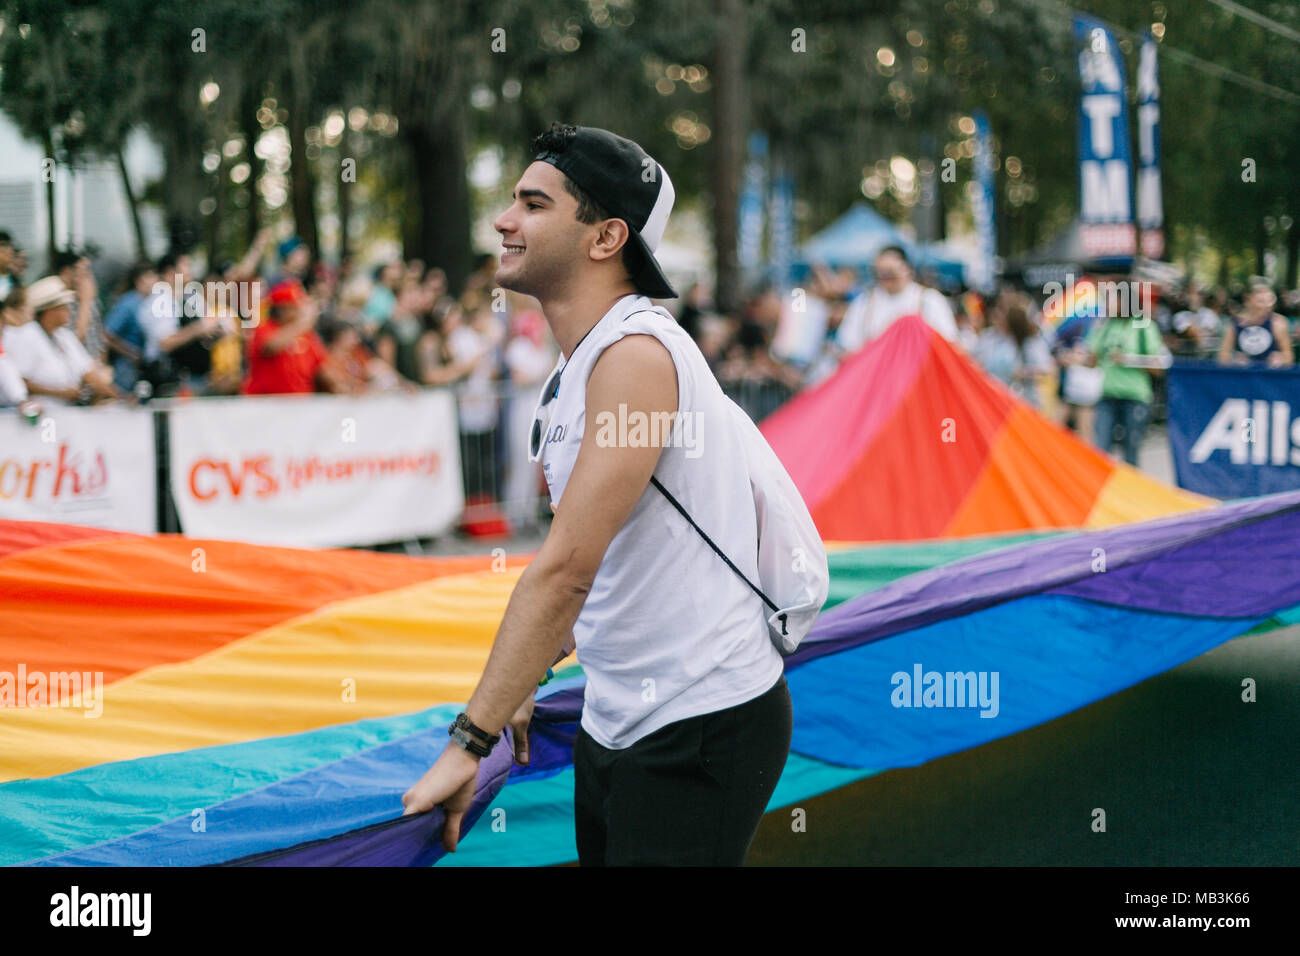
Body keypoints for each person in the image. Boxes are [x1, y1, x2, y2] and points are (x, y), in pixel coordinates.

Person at [401, 123, 794, 866]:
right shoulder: (583, 365)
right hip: (620, 716)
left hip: (698, 719)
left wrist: (470, 740)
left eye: (533, 204)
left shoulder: (636, 358)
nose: (503, 220)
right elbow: (606, 564)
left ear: (606, 236)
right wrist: (527, 676)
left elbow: (566, 566)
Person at [2, 276, 122, 405]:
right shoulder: (26, 335)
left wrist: (117, 395)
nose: (69, 311)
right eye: (63, 307)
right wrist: (61, 393)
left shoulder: (64, 336)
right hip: (40, 413)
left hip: (68, 412)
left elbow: (88, 373)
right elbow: (19, 381)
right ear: (49, 311)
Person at [1083, 308, 1171, 466]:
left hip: (1135, 397)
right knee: (1100, 450)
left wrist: (1128, 359)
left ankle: (1129, 489)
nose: (1109, 305)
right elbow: (1093, 361)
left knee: (1131, 451)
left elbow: (1158, 366)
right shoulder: (1105, 325)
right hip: (1107, 395)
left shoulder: (1143, 326)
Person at [834, 245, 959, 351]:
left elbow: (947, 341)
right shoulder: (864, 302)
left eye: (890, 272)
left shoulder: (929, 300)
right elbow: (848, 344)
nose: (886, 277)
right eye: (880, 272)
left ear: (907, 269)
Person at [242, 280, 356, 395]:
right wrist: (304, 323)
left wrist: (341, 387)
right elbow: (270, 346)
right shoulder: (264, 329)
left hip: (299, 405)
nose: (299, 311)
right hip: (264, 403)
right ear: (282, 309)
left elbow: (321, 367)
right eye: (295, 307)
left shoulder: (307, 335)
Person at [103, 261, 156, 393]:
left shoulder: (152, 302)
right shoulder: (128, 303)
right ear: (139, 280)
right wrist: (130, 352)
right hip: (127, 366)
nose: (155, 280)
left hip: (146, 367)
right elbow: (107, 334)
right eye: (150, 276)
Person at [1218, 278, 1294, 368]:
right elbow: (1223, 356)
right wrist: (1234, 360)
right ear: (1247, 298)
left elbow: (1289, 356)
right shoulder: (1234, 324)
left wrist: (1281, 359)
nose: (1264, 297)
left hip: (1270, 377)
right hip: (1242, 377)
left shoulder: (1278, 322)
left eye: (1267, 295)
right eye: (1260, 294)